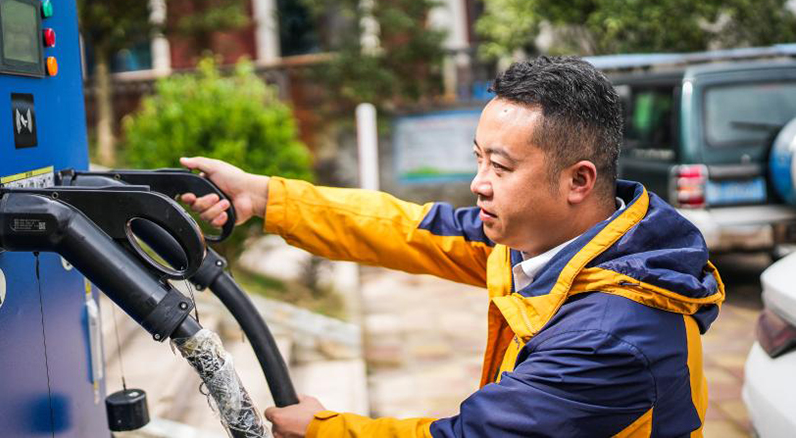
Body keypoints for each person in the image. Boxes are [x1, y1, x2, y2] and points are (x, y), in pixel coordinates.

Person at [179, 56, 724, 437]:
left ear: (578, 180)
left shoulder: (612, 337)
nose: (478, 183)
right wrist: (265, 196)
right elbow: (410, 229)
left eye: (501, 167)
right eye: (478, 158)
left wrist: (323, 430)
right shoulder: (544, 242)